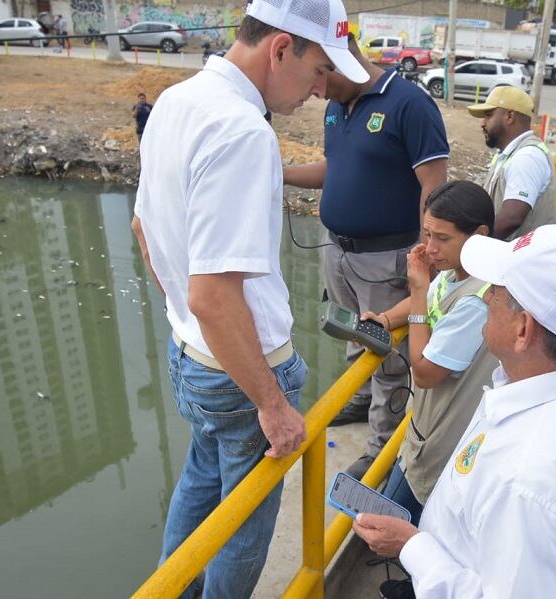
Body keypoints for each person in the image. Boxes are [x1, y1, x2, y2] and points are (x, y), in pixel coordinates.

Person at [131, 1, 367, 597]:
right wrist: (272, 404)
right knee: (244, 528)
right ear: (281, 48)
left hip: (193, 356)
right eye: (317, 72)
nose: (319, 93)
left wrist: (182, 317)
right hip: (242, 368)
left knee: (201, 484)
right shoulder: (241, 130)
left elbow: (144, 231)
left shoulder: (175, 103)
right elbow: (215, 297)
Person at [352, 224, 556, 598]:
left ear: (523, 328)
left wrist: (411, 547)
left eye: (496, 292)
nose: (484, 298)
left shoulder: (531, 484)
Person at [283, 33, 448, 479]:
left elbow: (434, 184)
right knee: (357, 337)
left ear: (343, 60)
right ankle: (360, 398)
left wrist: (428, 256)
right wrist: (277, 172)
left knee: (387, 354)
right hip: (338, 250)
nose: (316, 90)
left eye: (320, 76)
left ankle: (379, 450)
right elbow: (334, 169)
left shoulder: (409, 104)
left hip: (386, 257)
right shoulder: (338, 108)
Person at [360, 181, 497, 528]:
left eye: (442, 238)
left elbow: (424, 372)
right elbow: (433, 296)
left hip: (443, 441)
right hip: (424, 429)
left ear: (479, 234)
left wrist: (418, 288)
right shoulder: (457, 270)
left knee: (408, 523)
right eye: (426, 234)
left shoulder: (477, 300)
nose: (430, 248)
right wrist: (387, 319)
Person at [466, 86, 556, 240]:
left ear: (509, 116)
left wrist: (470, 247)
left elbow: (511, 218)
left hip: (521, 260)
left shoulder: (527, 157)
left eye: (488, 116)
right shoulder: (507, 153)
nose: (483, 123)